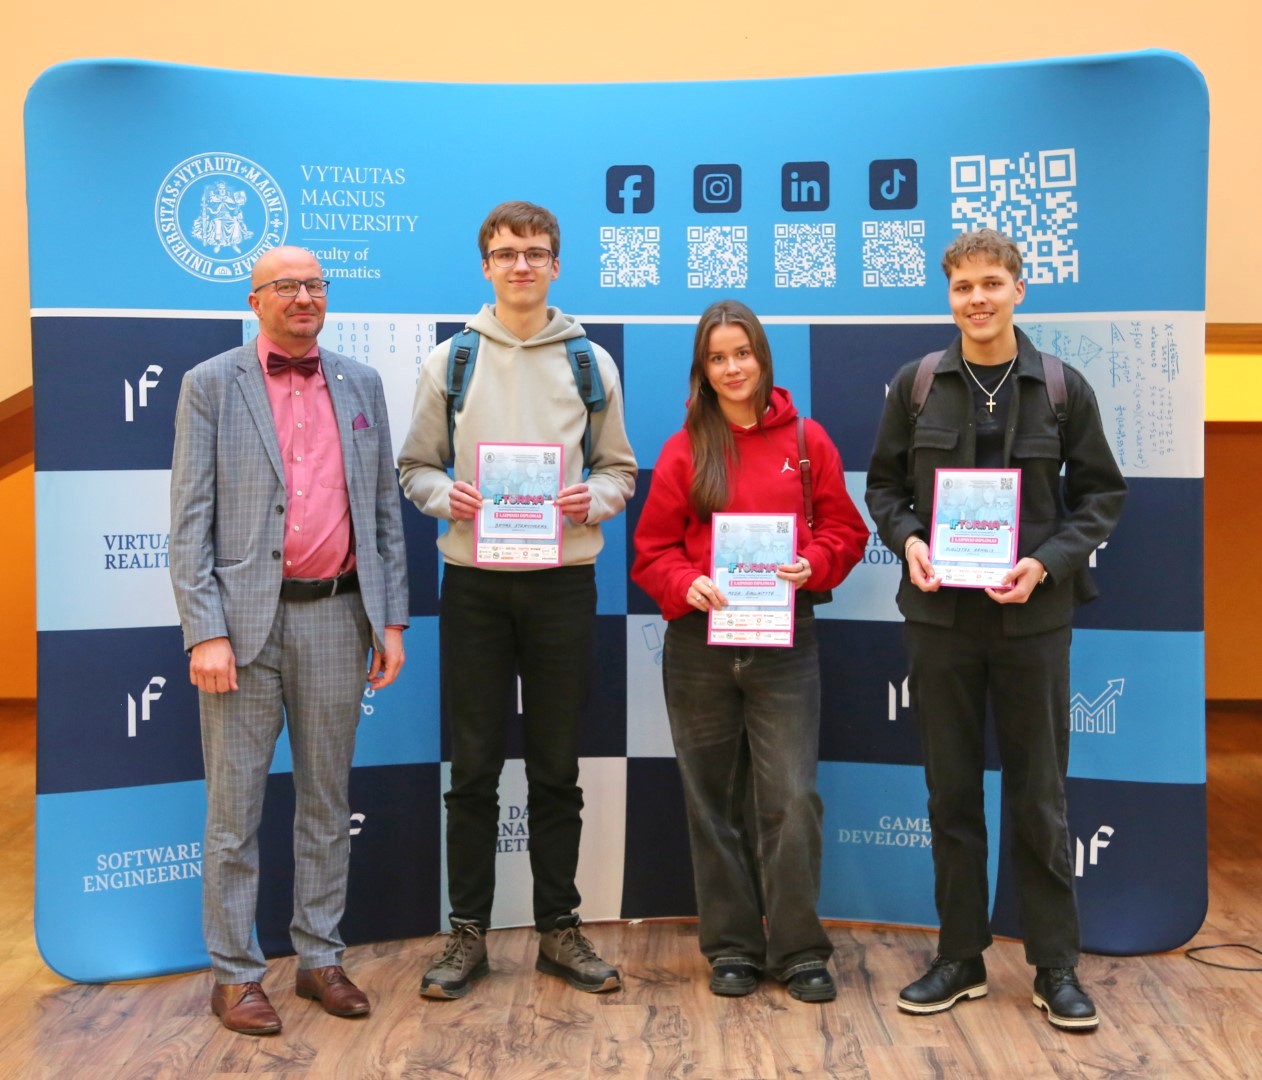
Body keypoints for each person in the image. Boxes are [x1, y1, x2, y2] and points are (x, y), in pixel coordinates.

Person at [865, 229, 1126, 1030]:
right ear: (949, 296)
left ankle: (1055, 966)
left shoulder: (1061, 387)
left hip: (1033, 621)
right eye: (962, 286)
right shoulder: (915, 385)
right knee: (950, 794)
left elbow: (1102, 497)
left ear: (1019, 289)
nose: (976, 299)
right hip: (940, 620)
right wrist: (909, 542)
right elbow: (884, 489)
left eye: (990, 283)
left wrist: (1045, 563)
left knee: (1040, 796)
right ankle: (960, 958)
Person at [398, 201, 637, 999]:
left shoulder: (590, 363)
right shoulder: (452, 361)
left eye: (535, 252)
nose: (521, 265)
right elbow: (414, 467)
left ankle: (559, 930)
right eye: (506, 253)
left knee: (556, 766)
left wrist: (592, 500)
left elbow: (619, 470)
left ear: (556, 265)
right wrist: (448, 498)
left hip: (564, 585)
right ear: (486, 266)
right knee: (472, 766)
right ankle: (467, 933)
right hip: (473, 585)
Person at [170, 246, 409, 1035]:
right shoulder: (211, 383)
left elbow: (382, 515)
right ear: (255, 300)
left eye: (314, 285)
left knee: (326, 802)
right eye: (286, 286)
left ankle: (319, 958)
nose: (304, 297)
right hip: (241, 631)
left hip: (338, 617)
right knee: (234, 810)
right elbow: (189, 521)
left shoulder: (361, 384)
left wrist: (390, 620)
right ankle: (235, 975)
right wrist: (205, 631)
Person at [631, 299, 867, 1002]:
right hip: (699, 644)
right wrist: (686, 582)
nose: (732, 368)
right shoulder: (685, 447)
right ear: (702, 370)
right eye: (717, 358)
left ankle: (798, 950)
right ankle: (731, 946)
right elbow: (652, 551)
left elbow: (847, 532)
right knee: (711, 801)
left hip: (785, 642)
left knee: (791, 798)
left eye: (742, 353)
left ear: (762, 357)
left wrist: (813, 564)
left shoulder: (808, 440)